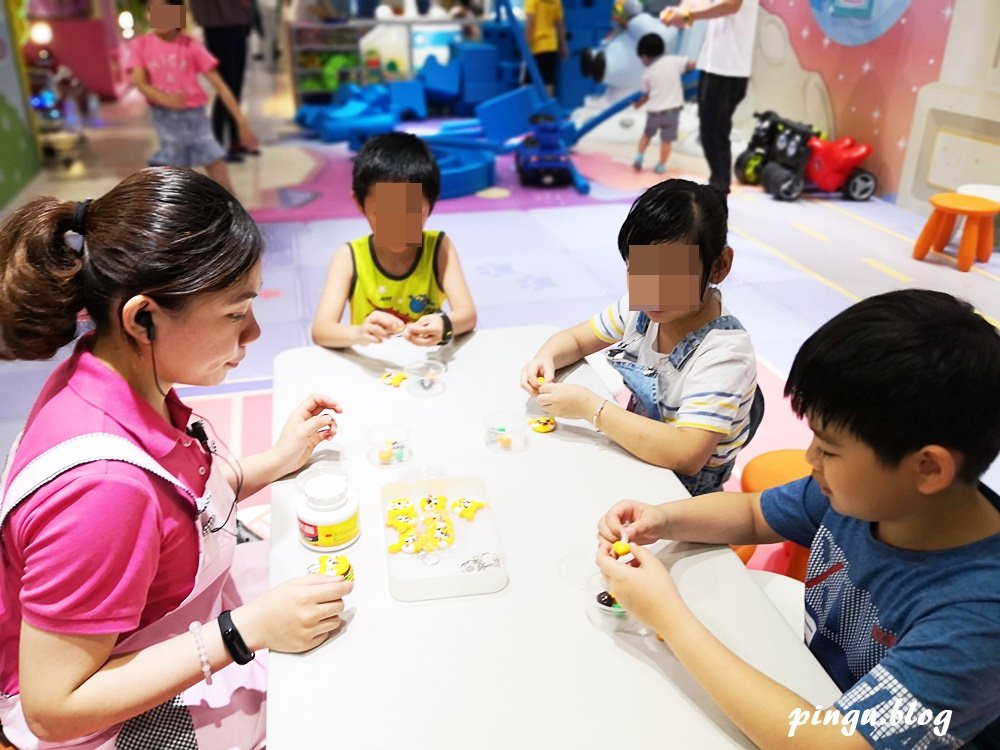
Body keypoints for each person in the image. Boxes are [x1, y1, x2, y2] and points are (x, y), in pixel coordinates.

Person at [0, 168, 351, 749]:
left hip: (174, 631)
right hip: (111, 714)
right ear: (143, 318)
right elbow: (53, 709)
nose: (255, 332)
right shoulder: (103, 490)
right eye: (235, 314)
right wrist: (246, 632)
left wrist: (277, 459)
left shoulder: (123, 377)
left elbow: (184, 503)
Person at [597, 289, 1000, 749]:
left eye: (828, 449)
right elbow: (752, 513)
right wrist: (664, 518)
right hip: (813, 683)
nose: (810, 458)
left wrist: (668, 617)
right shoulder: (874, 498)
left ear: (927, 468)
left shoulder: (978, 620)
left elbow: (833, 745)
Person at [520, 179, 761, 496]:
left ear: (719, 267)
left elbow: (687, 455)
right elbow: (576, 340)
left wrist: (589, 407)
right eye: (639, 271)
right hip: (636, 450)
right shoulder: (643, 309)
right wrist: (546, 357)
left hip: (685, 489)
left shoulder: (725, 353)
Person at [311, 132, 477, 349]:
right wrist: (357, 333)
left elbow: (468, 314)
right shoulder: (349, 257)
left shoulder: (439, 248)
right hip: (374, 367)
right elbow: (321, 330)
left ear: (432, 203)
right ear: (360, 204)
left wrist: (445, 323)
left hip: (424, 368)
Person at [128, 0, 259, 194]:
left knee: (214, 159)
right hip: (165, 118)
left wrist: (241, 122)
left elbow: (221, 87)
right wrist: (163, 98)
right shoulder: (141, 45)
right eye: (153, 11)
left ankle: (232, 209)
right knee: (177, 168)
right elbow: (139, 82)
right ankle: (181, 212)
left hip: (195, 116)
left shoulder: (191, 46)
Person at [663, 0, 759, 198]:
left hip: (729, 68)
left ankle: (719, 193)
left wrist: (689, 15)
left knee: (717, 131)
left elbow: (732, 4)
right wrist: (680, 12)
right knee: (708, 130)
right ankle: (717, 189)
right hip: (712, 64)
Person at [188, 0, 255, 162]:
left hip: (238, 23)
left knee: (235, 86)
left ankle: (234, 140)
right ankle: (216, 145)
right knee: (226, 87)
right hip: (217, 26)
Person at [632, 33, 694, 174]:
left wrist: (638, 105)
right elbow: (691, 64)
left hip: (654, 112)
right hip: (672, 112)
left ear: (645, 56)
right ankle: (661, 165)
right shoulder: (673, 61)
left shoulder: (647, 73)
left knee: (647, 135)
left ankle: (640, 156)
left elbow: (646, 95)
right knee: (667, 140)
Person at [523, 0, 568, 96]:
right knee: (548, 82)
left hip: (536, 46)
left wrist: (525, 44)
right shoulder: (556, 1)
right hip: (551, 46)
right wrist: (563, 46)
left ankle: (526, 110)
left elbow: (530, 22)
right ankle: (547, 109)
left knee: (526, 83)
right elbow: (560, 25)